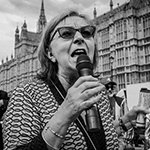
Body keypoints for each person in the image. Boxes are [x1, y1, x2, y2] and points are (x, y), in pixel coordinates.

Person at [2, 9, 150, 150]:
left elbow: (94, 138)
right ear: (50, 53)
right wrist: (66, 112)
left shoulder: (99, 94)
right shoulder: (27, 94)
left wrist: (126, 121)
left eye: (86, 33)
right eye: (66, 33)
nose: (79, 38)